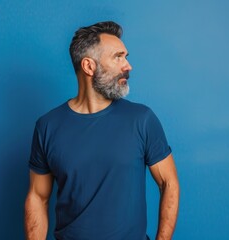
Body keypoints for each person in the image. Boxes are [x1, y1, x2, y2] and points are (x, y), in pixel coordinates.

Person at [24, 21, 180, 240]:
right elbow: (37, 197)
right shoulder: (47, 126)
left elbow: (169, 183)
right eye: (118, 57)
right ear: (89, 66)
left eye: (126, 56)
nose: (128, 66)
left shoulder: (142, 119)